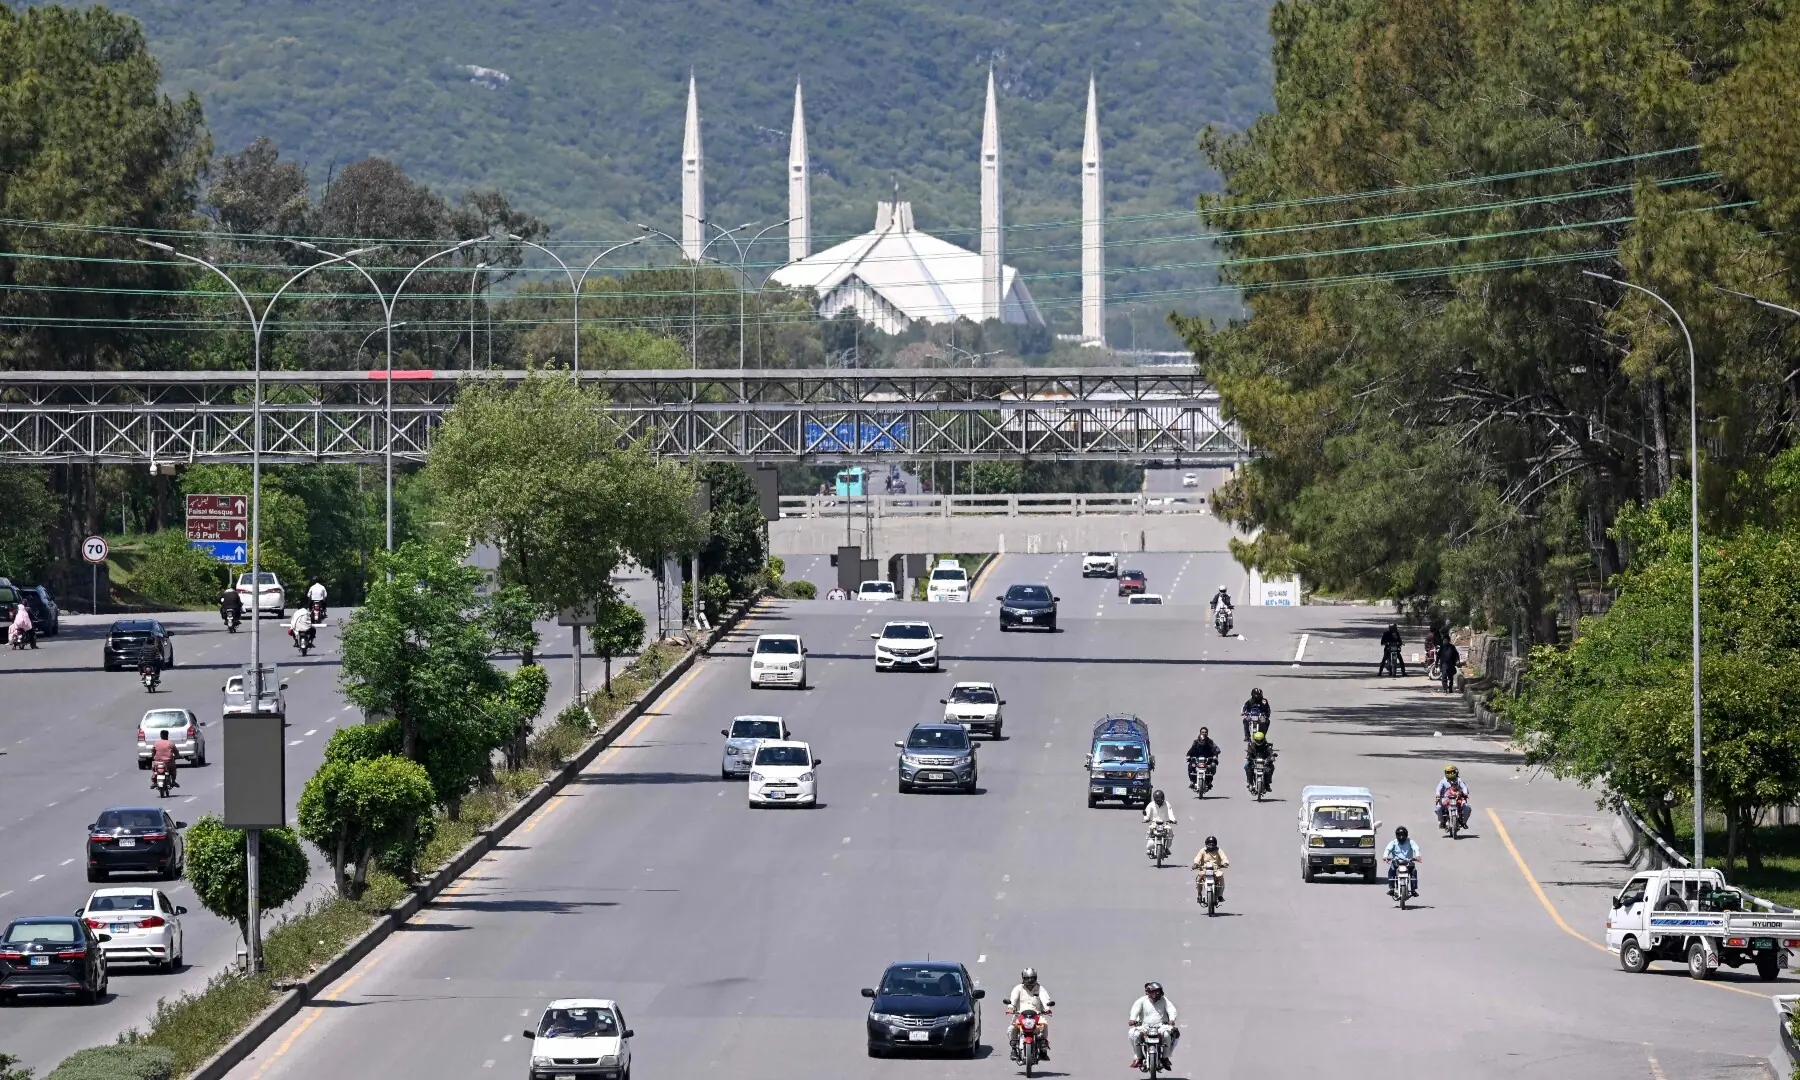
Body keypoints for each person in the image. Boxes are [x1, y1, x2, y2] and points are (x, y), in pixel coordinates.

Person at [1127, 981, 1179, 1070]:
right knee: (1133, 1034)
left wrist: (1172, 1019)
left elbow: (1171, 1010)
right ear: (1149, 992)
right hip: (1144, 1027)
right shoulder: (1142, 1001)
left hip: (1161, 1026)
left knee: (1167, 1034)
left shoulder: (1164, 1000)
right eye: (1155, 991)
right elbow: (1135, 1010)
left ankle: (1165, 1058)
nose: (1157, 994)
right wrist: (1133, 1019)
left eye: (1158, 991)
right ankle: (1139, 1058)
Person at [1005, 967, 1053, 1060]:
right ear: (1023, 978)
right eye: (1027, 978)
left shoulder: (1040, 989)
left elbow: (1045, 999)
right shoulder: (1018, 989)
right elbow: (1013, 1000)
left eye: (1032, 978)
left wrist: (1047, 1008)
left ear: (1036, 978)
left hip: (1036, 1015)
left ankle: (1043, 1049)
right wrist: (1011, 1008)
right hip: (1020, 1014)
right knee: (1011, 1029)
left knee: (1044, 1025)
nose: (1030, 981)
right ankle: (1014, 1049)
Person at [1191, 834, 1230, 903]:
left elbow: (1224, 857)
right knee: (1199, 878)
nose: (1211, 845)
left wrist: (1225, 863)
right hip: (1204, 869)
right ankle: (1199, 894)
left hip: (1216, 869)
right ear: (1206, 844)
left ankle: (1220, 895)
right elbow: (1197, 858)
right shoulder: (1203, 851)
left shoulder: (1218, 850)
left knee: (1221, 876)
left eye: (1213, 844)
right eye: (1209, 844)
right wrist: (1196, 864)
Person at [1384, 825, 1422, 896]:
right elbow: (1388, 849)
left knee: (1414, 871)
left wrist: (1418, 856)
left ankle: (1413, 889)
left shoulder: (1410, 842)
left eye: (1403, 835)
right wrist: (1385, 856)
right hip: (1396, 861)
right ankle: (1392, 888)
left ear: (1406, 835)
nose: (1401, 837)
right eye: (1400, 835)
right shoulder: (1393, 842)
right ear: (1397, 835)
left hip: (1408, 861)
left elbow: (1416, 848)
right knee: (1391, 870)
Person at [1435, 765, 1471, 830]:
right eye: (1449, 772)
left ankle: (1464, 822)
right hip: (1445, 799)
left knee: (1467, 807)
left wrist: (1465, 793)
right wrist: (1438, 795)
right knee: (1438, 808)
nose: (1451, 774)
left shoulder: (1459, 780)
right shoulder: (1443, 781)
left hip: (1458, 798)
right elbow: (1438, 789)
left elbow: (1464, 787)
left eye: (1452, 772)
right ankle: (1442, 822)